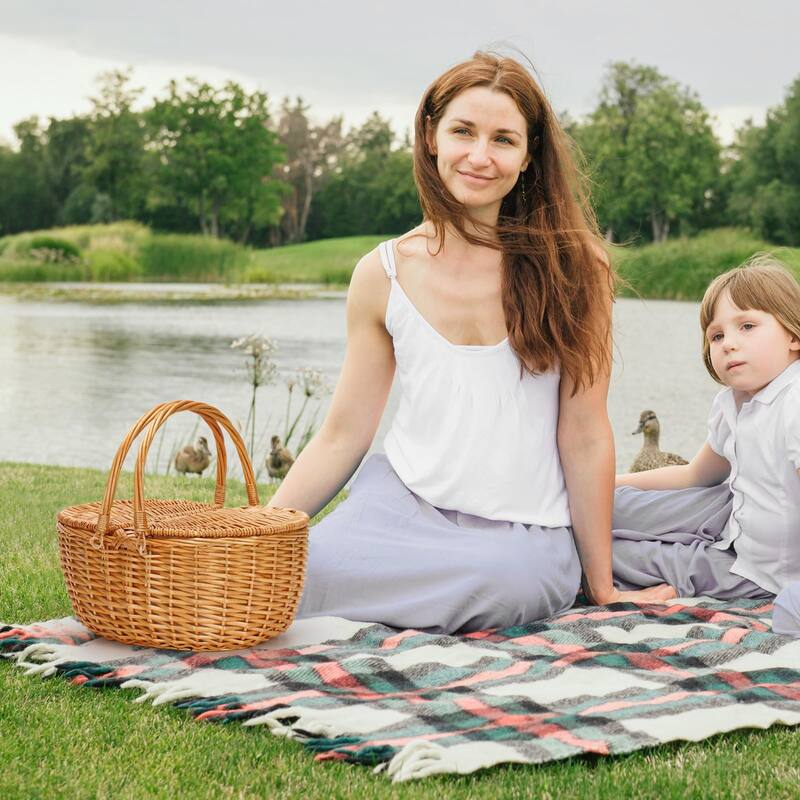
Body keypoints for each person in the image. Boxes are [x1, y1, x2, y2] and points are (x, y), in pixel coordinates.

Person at [269, 51, 673, 634]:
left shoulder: (577, 269)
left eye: (503, 139)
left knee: (510, 585)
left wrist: (603, 585)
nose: (479, 156)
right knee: (294, 578)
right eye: (463, 131)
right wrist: (255, 532)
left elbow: (584, 433)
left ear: (528, 157)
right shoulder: (381, 273)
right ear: (431, 135)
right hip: (400, 511)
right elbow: (342, 436)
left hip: (520, 535)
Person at [613, 256, 800, 635]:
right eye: (717, 335)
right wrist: (608, 484)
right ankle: (566, 514)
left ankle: (566, 558)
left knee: (624, 556)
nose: (729, 343)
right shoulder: (735, 400)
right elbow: (696, 474)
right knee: (609, 507)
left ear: (794, 335)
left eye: (747, 326)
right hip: (731, 515)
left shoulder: (794, 403)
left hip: (762, 570)